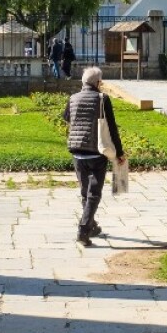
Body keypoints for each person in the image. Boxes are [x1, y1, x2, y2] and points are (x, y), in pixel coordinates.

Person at [62, 66, 126, 246]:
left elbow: (67, 117)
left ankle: (93, 226)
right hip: (97, 152)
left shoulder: (73, 98)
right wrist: (119, 153)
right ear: (98, 83)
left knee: (85, 192)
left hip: (77, 151)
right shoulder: (102, 98)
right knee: (94, 193)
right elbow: (112, 128)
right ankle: (83, 230)